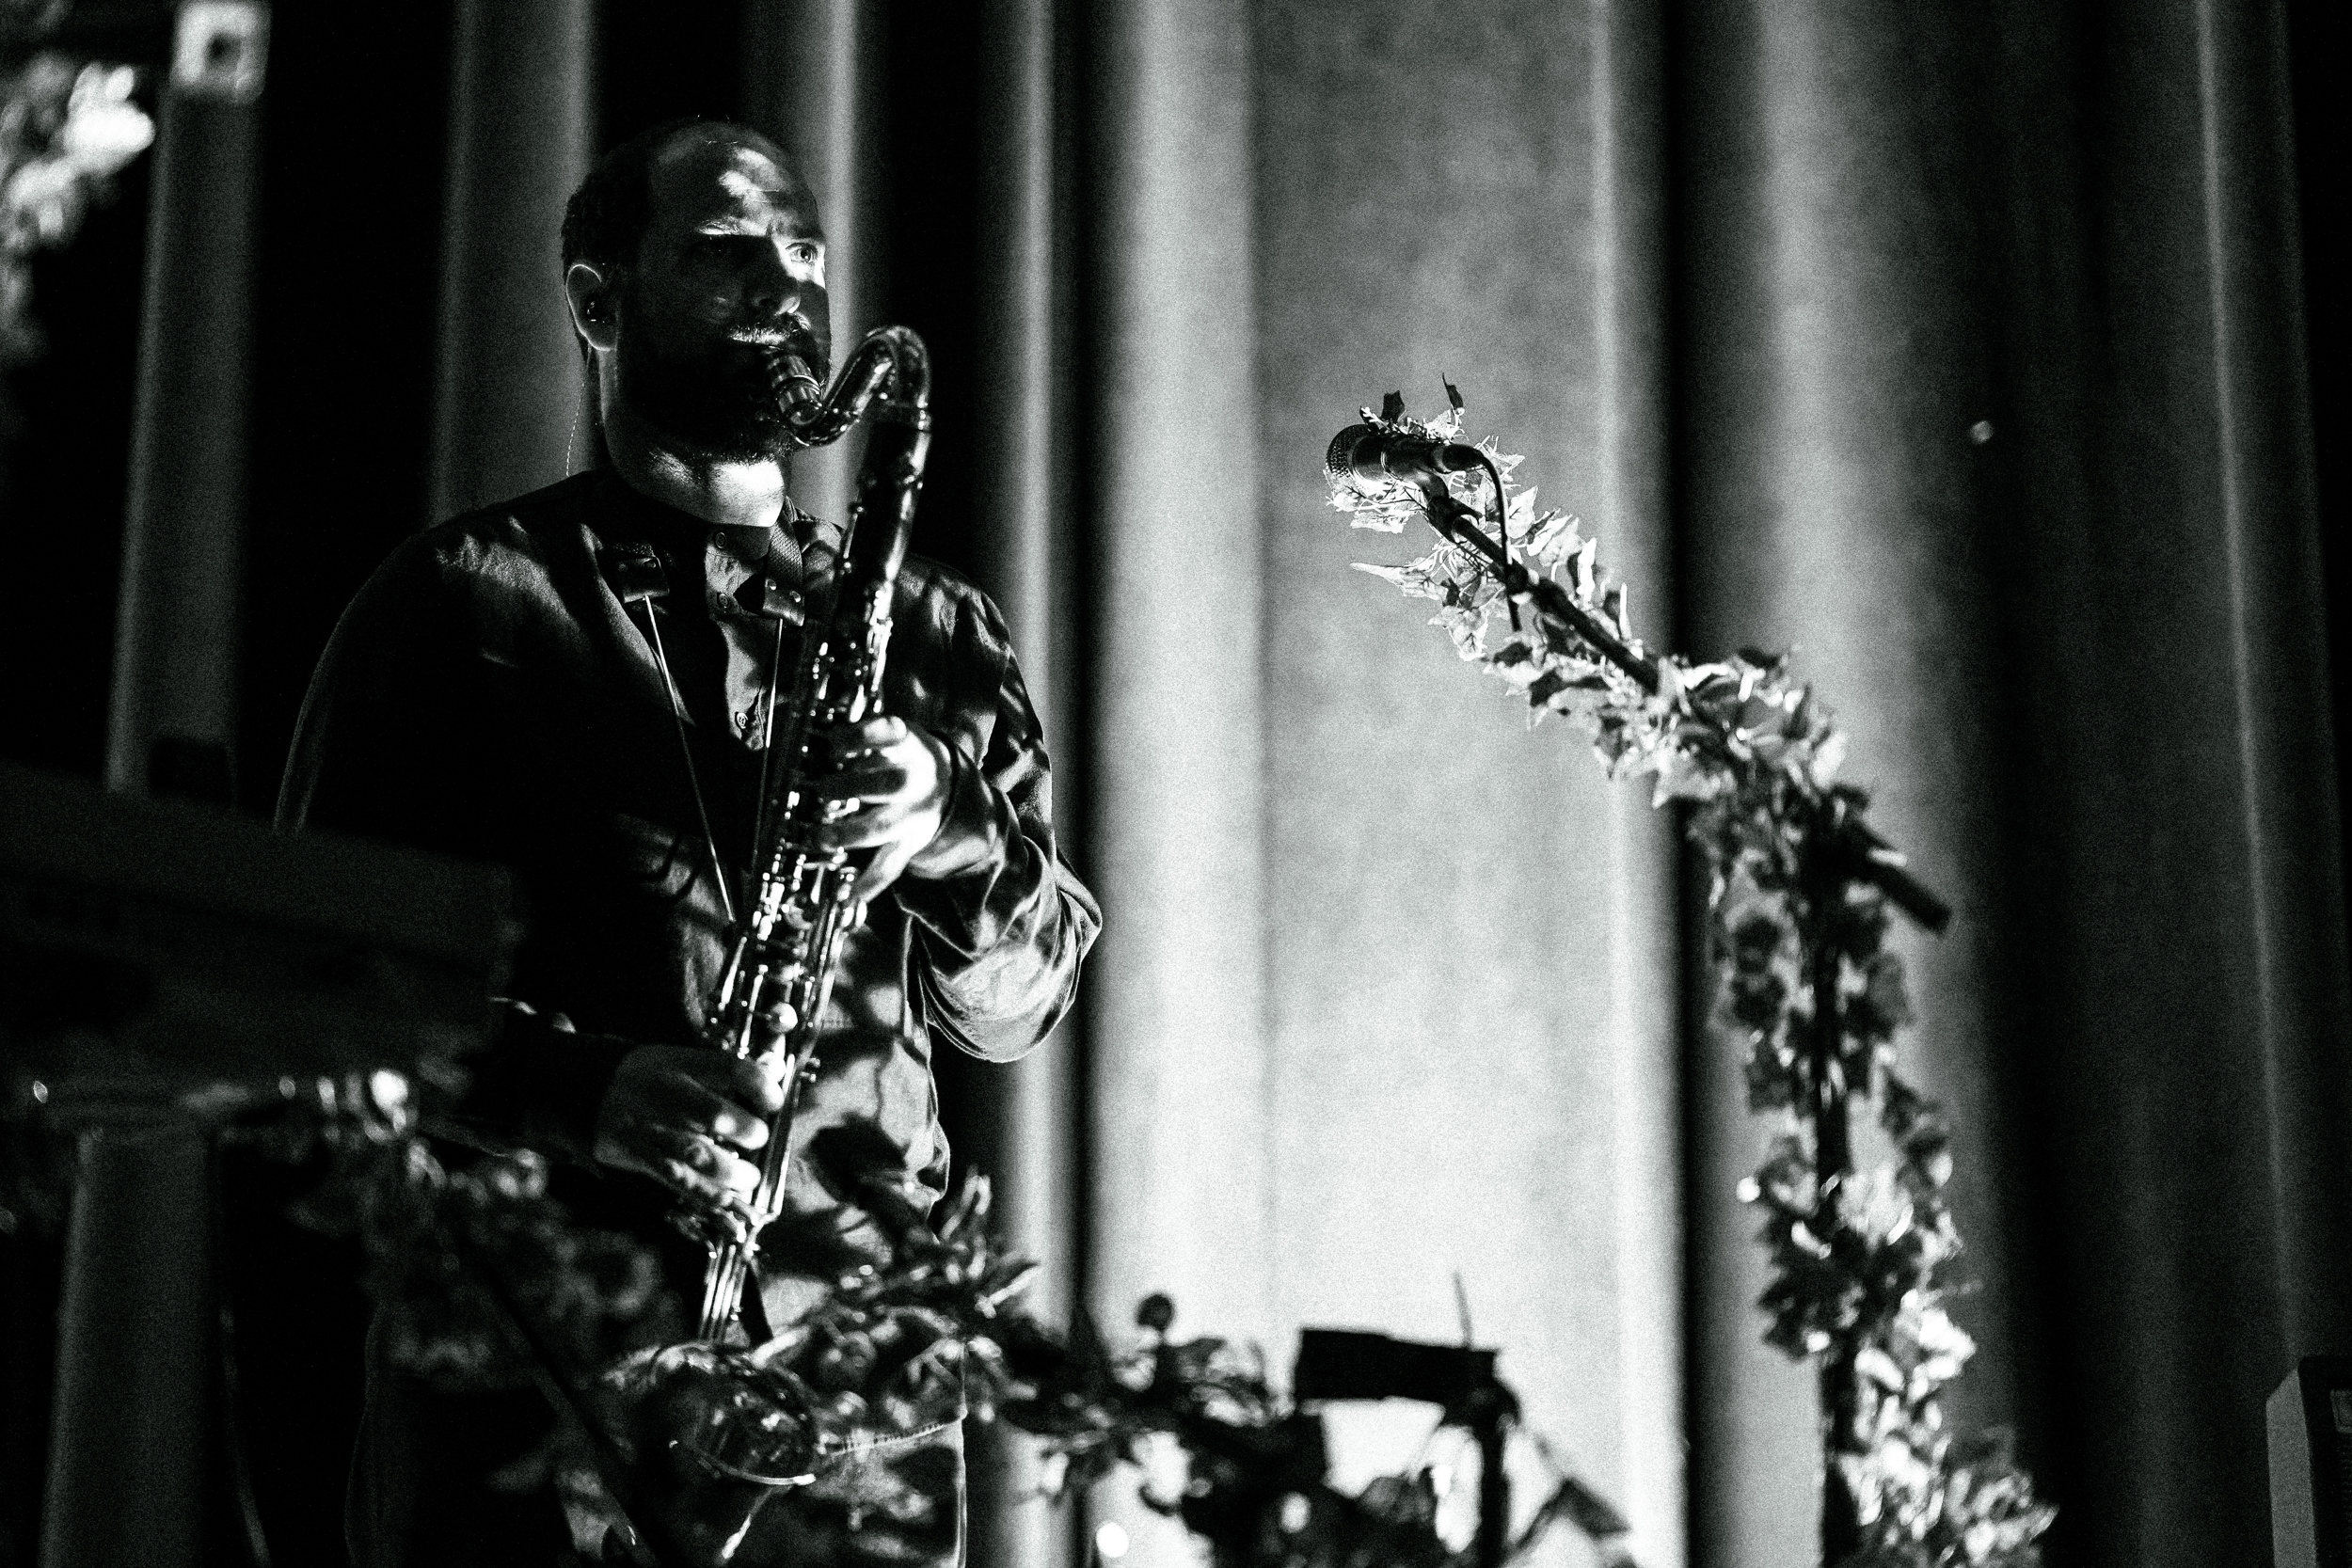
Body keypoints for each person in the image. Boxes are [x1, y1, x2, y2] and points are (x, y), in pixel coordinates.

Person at [278, 117, 1099, 1568]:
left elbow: (1022, 1005)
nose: (787, 292)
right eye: (727, 256)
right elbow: (307, 992)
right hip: (535, 1396)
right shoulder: (457, 607)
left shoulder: (938, 631)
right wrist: (576, 1091)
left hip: (861, 1404)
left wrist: (948, 828)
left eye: (805, 255)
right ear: (598, 304)